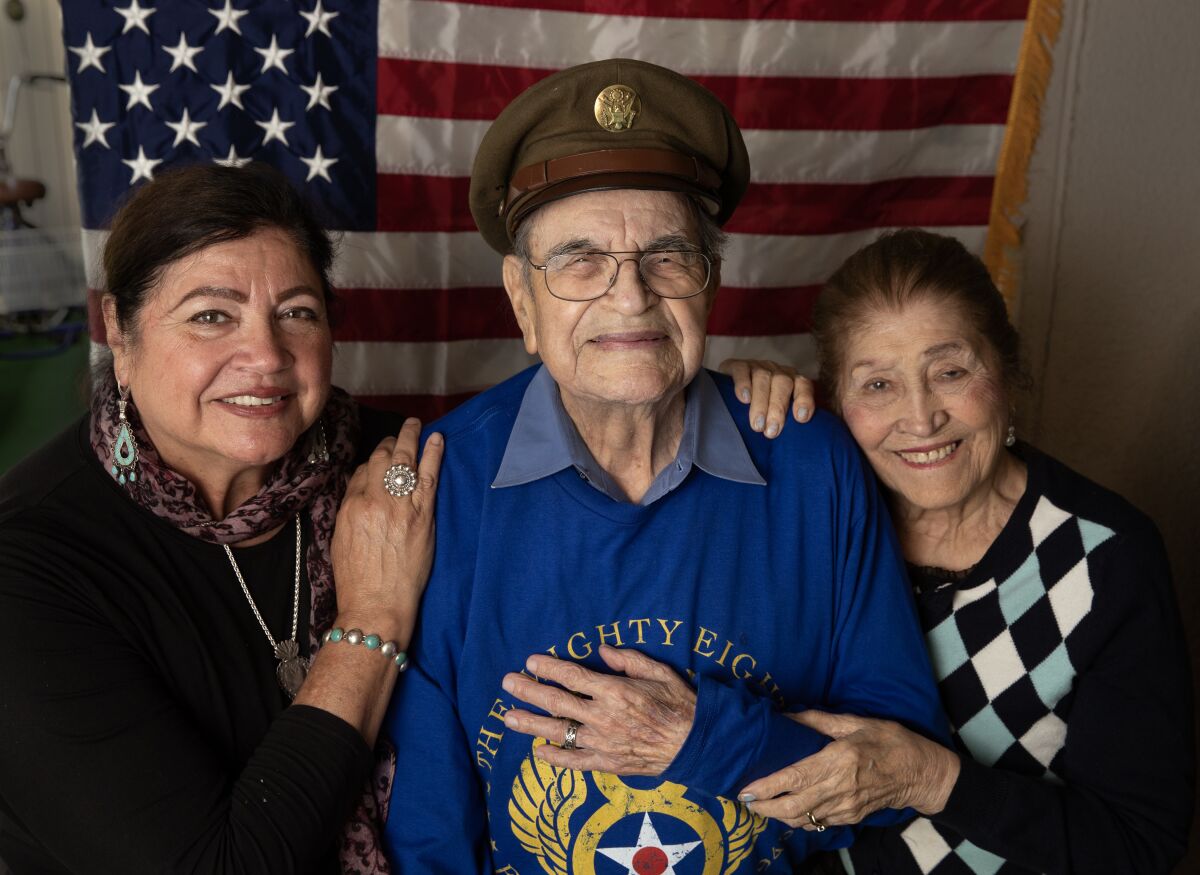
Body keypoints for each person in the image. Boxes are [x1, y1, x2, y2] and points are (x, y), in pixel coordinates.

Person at [381, 58, 949, 873]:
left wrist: (700, 738)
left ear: (710, 284)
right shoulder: (445, 484)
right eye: (580, 261)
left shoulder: (811, 464)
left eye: (668, 256)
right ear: (520, 299)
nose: (630, 296)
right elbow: (430, 837)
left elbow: (899, 774)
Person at [0, 162, 444, 874]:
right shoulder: (28, 564)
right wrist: (376, 616)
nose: (266, 356)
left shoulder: (402, 469)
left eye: (297, 311)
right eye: (212, 314)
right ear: (120, 328)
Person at [733, 230, 1195, 874]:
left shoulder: (1106, 557)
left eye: (950, 372)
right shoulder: (811, 518)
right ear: (836, 402)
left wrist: (933, 781)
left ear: (1005, 374)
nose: (920, 420)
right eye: (877, 385)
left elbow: (1136, 844)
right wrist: (728, 399)